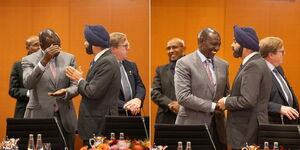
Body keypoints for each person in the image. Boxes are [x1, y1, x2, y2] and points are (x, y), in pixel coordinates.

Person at [217, 25, 273, 150]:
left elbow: (248, 100)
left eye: (235, 42)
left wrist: (226, 101)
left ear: (245, 45)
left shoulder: (253, 66)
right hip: (250, 130)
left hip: (247, 132)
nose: (232, 45)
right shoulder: (257, 63)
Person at [22, 29, 78, 150]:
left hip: (65, 116)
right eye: (52, 47)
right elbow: (28, 83)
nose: (56, 50)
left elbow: (75, 85)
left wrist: (66, 92)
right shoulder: (29, 60)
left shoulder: (69, 58)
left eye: (58, 46)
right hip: (40, 115)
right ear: (42, 46)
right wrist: (44, 61)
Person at [65, 25, 121, 146]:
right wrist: (81, 79)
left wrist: (79, 79)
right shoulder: (101, 60)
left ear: (94, 43)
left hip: (99, 125)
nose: (85, 43)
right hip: (96, 123)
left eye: (87, 41)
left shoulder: (106, 62)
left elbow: (92, 92)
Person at [175, 28, 229, 150]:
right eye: (213, 44)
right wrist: (213, 106)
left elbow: (226, 93)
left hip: (218, 129)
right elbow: (183, 97)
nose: (217, 48)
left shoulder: (223, 64)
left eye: (219, 44)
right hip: (192, 127)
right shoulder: (184, 63)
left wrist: (230, 100)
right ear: (201, 41)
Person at [260, 37, 299, 124]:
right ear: (271, 55)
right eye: (281, 51)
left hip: (288, 122)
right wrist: (279, 108)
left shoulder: (278, 68)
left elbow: (286, 90)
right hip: (272, 124)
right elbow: (257, 101)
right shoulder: (260, 71)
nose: (284, 53)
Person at [110, 32, 146, 116]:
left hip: (134, 112)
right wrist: (125, 105)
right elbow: (105, 95)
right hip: (116, 114)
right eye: (125, 46)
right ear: (113, 48)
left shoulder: (131, 65)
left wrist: (138, 99)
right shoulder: (106, 67)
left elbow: (140, 86)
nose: (128, 48)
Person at [151, 38, 185, 124]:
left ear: (183, 48)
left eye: (174, 47)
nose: (171, 51)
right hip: (166, 118)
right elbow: (155, 92)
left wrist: (183, 107)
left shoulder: (193, 68)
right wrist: (171, 104)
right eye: (168, 48)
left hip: (188, 117)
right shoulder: (161, 70)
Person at [9, 36, 40, 118]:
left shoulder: (47, 64)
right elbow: (13, 90)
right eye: (36, 45)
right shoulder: (18, 66)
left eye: (41, 45)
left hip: (44, 111)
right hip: (24, 110)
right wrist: (29, 93)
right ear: (27, 47)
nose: (39, 47)